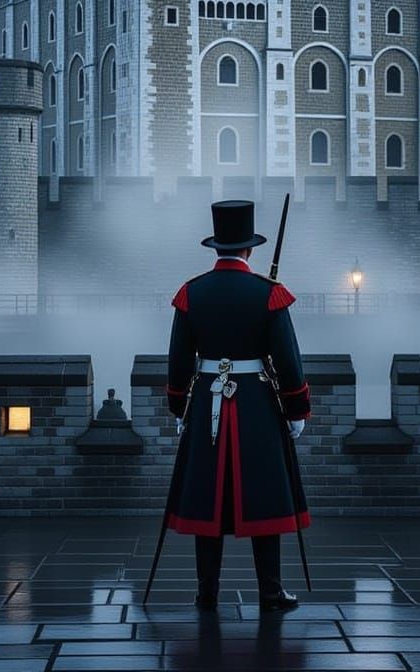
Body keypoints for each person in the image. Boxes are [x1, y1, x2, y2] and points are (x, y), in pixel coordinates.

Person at [165, 199, 311, 612]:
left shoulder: (191, 293)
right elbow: (288, 361)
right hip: (257, 407)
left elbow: (178, 362)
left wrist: (180, 408)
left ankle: (206, 592)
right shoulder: (268, 294)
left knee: (207, 498)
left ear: (216, 248)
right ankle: (270, 591)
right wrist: (296, 410)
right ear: (249, 250)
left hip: (206, 400)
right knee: (264, 496)